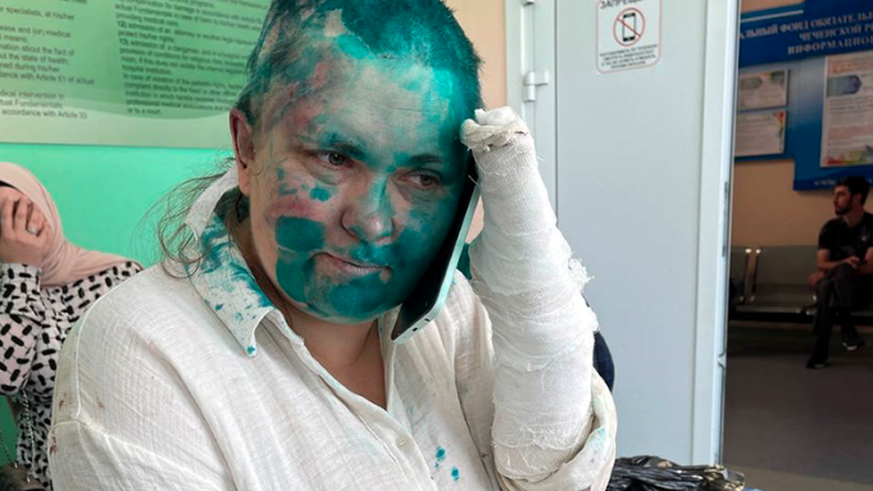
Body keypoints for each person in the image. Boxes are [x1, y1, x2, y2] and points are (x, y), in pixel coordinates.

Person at [48, 2, 617, 489]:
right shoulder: (142, 352)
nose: (371, 222)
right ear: (247, 149)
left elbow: (551, 478)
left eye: (422, 177)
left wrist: (534, 294)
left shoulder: (453, 311)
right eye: (335, 157)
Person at [0, 163, 141, 490]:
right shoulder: (8, 293)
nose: (13, 228)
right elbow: (5, 377)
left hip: (118, 471)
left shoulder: (119, 276)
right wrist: (21, 270)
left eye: (19, 213)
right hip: (45, 474)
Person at [807, 176, 873, 369]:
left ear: (857, 198)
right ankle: (847, 328)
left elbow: (869, 267)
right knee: (830, 283)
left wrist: (832, 271)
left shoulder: (872, 225)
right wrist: (843, 264)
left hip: (861, 290)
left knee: (827, 283)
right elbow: (821, 262)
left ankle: (821, 349)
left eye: (841, 195)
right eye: (835, 195)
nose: (835, 200)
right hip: (836, 291)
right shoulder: (830, 228)